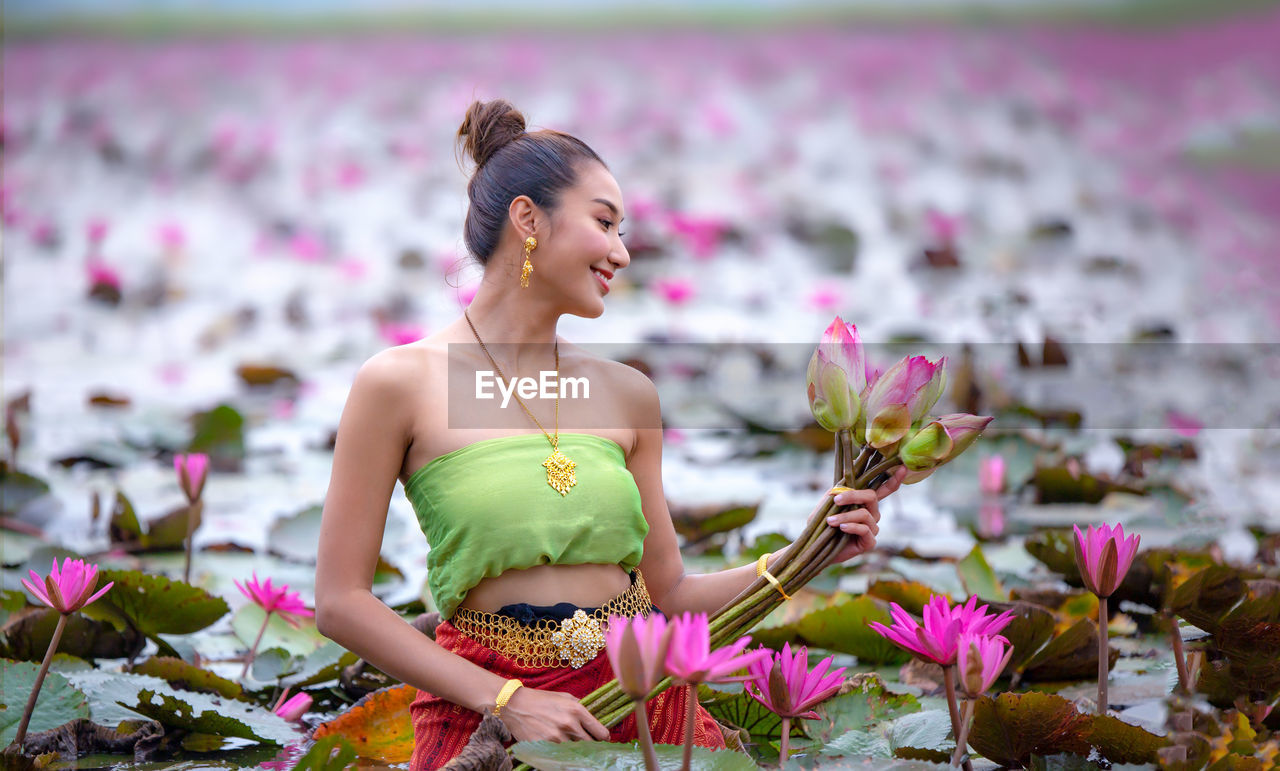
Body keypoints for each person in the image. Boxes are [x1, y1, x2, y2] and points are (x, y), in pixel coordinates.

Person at [314, 98, 906, 769]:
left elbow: (670, 595)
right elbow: (341, 601)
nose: (622, 252)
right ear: (528, 220)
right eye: (605, 222)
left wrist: (813, 549)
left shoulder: (629, 394)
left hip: (641, 707)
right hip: (487, 719)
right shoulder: (397, 383)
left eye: (623, 230)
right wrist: (506, 697)